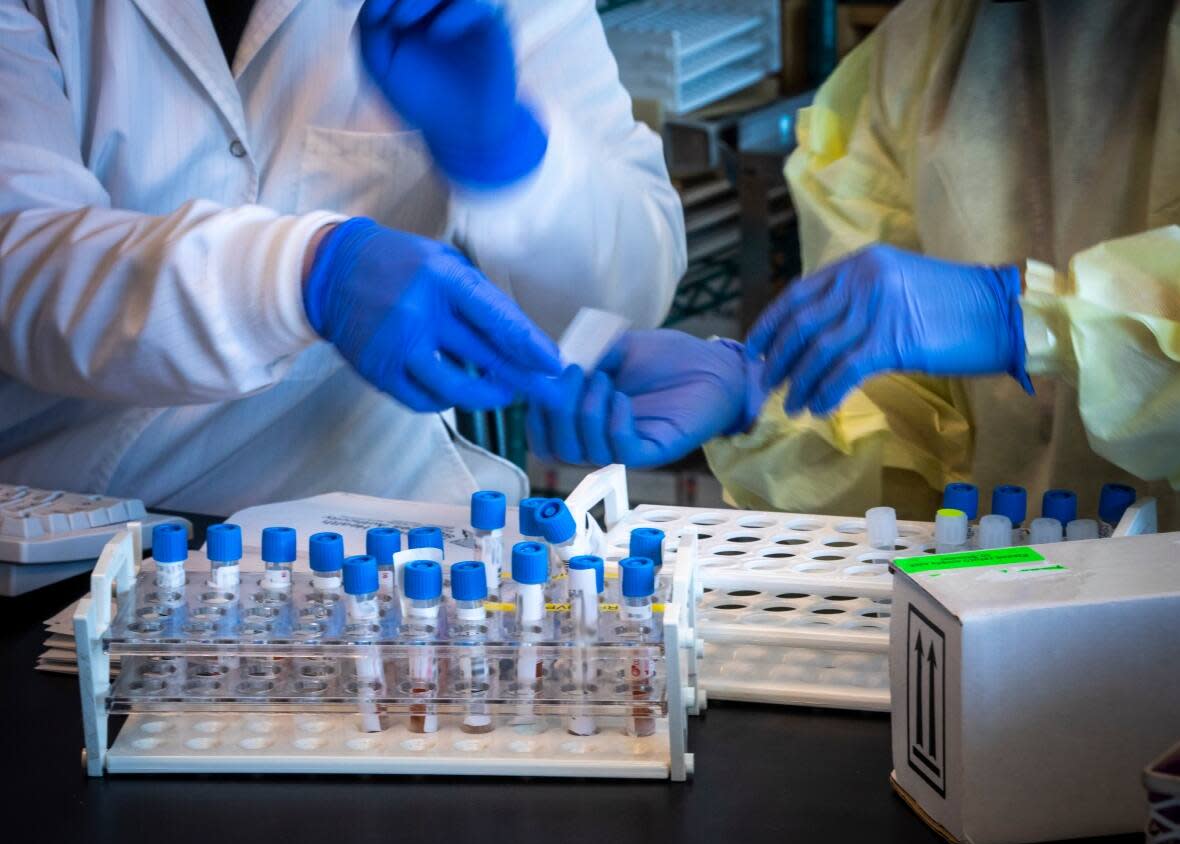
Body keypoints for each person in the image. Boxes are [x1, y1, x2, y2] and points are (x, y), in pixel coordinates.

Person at [0, 0, 685, 513]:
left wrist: (507, 149)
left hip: (371, 521)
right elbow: (19, 261)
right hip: (58, 530)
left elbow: (627, 292)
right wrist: (304, 275)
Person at [529, 0, 1180, 526]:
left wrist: (1028, 318)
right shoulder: (922, 52)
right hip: (1005, 595)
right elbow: (909, 460)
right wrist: (755, 398)